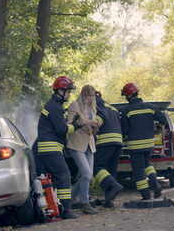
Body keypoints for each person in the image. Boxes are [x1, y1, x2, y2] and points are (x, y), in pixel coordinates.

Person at [35, 76, 87, 219]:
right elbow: (61, 130)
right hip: (50, 148)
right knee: (64, 176)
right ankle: (67, 210)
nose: (69, 94)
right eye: (68, 91)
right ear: (60, 91)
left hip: (47, 149)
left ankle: (54, 207)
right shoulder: (54, 107)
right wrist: (75, 126)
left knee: (52, 179)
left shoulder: (53, 106)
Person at [119, 83, 167, 201]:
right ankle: (155, 185)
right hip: (149, 144)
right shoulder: (150, 107)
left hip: (135, 146)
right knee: (147, 165)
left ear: (128, 96)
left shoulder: (126, 110)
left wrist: (124, 137)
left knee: (138, 171)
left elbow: (124, 130)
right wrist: (158, 129)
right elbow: (163, 119)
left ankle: (145, 195)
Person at [66, 85, 100, 214]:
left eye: (92, 95)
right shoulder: (74, 105)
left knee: (87, 176)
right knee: (86, 174)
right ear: (82, 94)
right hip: (76, 144)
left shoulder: (93, 108)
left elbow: (93, 127)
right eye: (87, 95)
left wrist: (95, 126)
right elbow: (69, 124)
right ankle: (84, 203)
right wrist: (85, 123)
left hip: (90, 144)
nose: (89, 98)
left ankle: (69, 200)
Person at [92, 91, 124, 208]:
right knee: (111, 170)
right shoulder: (113, 108)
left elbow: (97, 122)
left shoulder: (97, 107)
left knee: (96, 167)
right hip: (118, 142)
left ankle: (114, 185)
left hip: (105, 141)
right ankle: (109, 200)